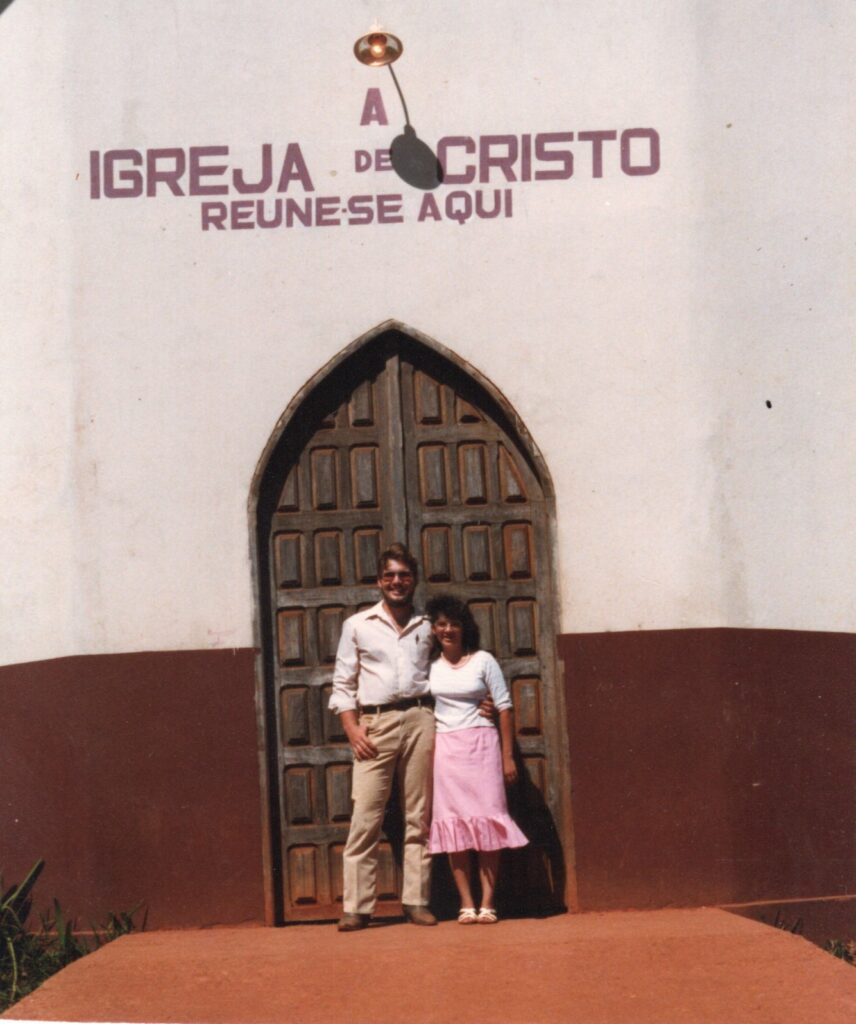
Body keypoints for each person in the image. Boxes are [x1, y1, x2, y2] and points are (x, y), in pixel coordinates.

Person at [329, 543, 437, 932]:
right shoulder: (358, 625)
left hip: (422, 718)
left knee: (418, 815)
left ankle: (417, 901)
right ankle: (357, 907)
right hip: (374, 725)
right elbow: (343, 683)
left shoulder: (428, 625)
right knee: (366, 816)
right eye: (390, 575)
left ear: (414, 580)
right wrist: (352, 728)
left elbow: (454, 666)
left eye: (404, 575)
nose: (397, 582)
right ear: (379, 581)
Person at [426, 594, 528, 924]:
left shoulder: (484, 660)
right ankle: (466, 903)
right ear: (434, 629)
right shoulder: (430, 667)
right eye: (442, 624)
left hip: (482, 747)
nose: (448, 629)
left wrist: (507, 757)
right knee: (454, 827)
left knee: (487, 823)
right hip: (447, 752)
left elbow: (504, 707)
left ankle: (487, 902)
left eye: (454, 623)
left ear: (464, 628)